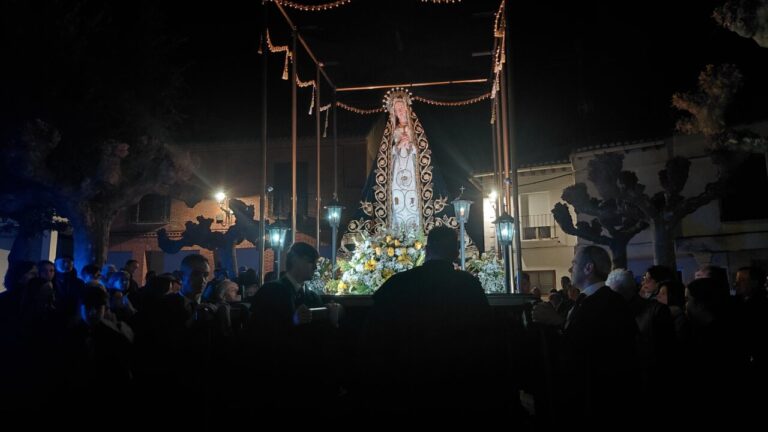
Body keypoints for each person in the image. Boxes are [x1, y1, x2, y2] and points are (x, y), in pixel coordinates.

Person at [359, 226, 508, 419]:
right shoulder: (468, 285)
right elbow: (485, 334)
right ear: (456, 253)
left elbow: (373, 335)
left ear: (426, 250)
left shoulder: (398, 283)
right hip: (457, 385)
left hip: (405, 385)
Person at [532, 246, 638, 424]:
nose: (570, 269)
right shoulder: (586, 301)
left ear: (589, 268)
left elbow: (587, 347)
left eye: (574, 264)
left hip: (599, 401)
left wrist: (557, 321)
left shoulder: (609, 303)